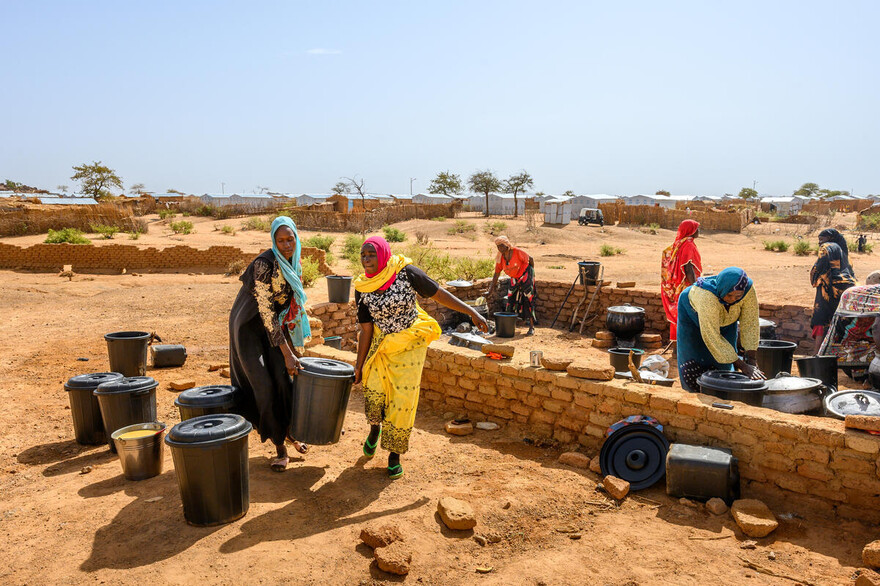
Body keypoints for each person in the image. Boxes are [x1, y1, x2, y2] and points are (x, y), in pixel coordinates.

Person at [354, 236, 488, 479]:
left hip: (409, 344)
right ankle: (375, 430)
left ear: (383, 254)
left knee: (402, 400)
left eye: (371, 254)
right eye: (363, 255)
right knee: (374, 389)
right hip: (381, 344)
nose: (366, 259)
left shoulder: (405, 272)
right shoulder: (362, 286)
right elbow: (366, 329)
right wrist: (358, 365)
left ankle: (394, 455)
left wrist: (471, 312)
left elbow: (439, 294)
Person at [228, 216, 311, 472]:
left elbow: (283, 310)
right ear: (273, 242)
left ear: (296, 238)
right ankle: (280, 447)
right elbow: (265, 313)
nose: (286, 245)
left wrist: (289, 348)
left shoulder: (293, 264)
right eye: (281, 241)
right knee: (263, 386)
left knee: (284, 380)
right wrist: (286, 352)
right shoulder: (264, 265)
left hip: (274, 327)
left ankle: (290, 432)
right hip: (249, 329)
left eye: (290, 239)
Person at [676, 267, 764, 392]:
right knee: (694, 361)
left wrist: (751, 360)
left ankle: (722, 392)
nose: (733, 299)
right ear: (723, 289)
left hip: (726, 319)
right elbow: (712, 337)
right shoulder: (707, 298)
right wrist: (744, 366)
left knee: (724, 365)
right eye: (729, 295)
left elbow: (750, 323)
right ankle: (694, 393)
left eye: (738, 296)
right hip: (693, 315)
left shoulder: (747, 290)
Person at [810, 228, 856, 353]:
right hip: (847, 290)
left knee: (821, 319)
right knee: (839, 321)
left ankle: (817, 355)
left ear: (829, 239)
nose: (820, 243)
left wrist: (814, 278)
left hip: (830, 288)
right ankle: (836, 355)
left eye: (821, 239)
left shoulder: (827, 247)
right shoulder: (843, 252)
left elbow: (820, 267)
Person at [660, 219, 702, 341]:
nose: (698, 231)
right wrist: (695, 287)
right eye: (696, 228)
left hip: (678, 285)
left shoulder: (679, 244)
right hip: (686, 286)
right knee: (686, 315)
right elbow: (688, 269)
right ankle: (684, 348)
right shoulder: (688, 245)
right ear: (691, 230)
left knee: (679, 314)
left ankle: (676, 346)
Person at [487, 236, 538, 335]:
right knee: (510, 299)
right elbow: (496, 273)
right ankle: (509, 325)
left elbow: (530, 260)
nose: (500, 249)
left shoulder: (517, 252)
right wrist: (490, 290)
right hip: (514, 277)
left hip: (525, 273)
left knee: (528, 298)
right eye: (498, 247)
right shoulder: (500, 257)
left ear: (507, 245)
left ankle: (531, 326)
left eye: (501, 246)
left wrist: (530, 277)